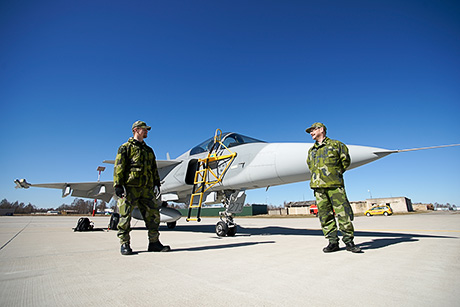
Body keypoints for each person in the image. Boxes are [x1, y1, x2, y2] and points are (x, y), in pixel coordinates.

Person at [113, 120, 171, 255]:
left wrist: (157, 183)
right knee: (125, 217)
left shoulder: (149, 150)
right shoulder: (125, 147)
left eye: (147, 130)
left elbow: (153, 169)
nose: (146, 131)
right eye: (144, 129)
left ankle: (154, 243)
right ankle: (125, 244)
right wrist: (118, 185)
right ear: (136, 130)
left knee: (153, 216)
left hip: (147, 189)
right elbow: (119, 167)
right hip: (130, 187)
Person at [306, 122, 362, 253]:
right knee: (325, 215)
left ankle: (349, 242)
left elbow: (345, 162)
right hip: (318, 187)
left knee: (343, 213)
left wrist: (334, 174)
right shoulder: (311, 150)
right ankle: (332, 242)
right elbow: (310, 166)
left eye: (313, 130)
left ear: (321, 129)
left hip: (334, 185)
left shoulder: (337, 145)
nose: (311, 133)